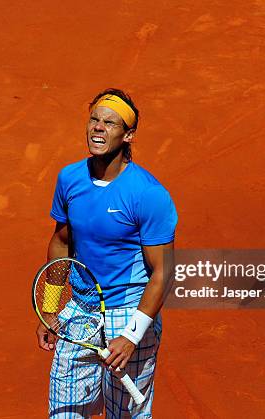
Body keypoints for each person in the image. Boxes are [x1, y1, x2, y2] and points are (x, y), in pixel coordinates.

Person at [35, 88, 178, 418]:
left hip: (128, 314)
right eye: (94, 120)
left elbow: (163, 271)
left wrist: (130, 337)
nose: (98, 127)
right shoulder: (69, 179)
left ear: (128, 135)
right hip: (80, 312)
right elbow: (61, 240)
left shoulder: (148, 194)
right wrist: (49, 306)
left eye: (110, 123)